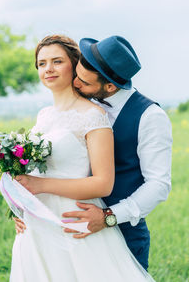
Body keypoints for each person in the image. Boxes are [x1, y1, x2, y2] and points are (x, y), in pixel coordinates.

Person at [11, 34, 156, 281]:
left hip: (76, 220)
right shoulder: (43, 115)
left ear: (75, 65)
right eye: (42, 63)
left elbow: (103, 183)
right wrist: (19, 205)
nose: (48, 69)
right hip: (37, 223)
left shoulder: (94, 115)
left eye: (57, 61)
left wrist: (40, 186)